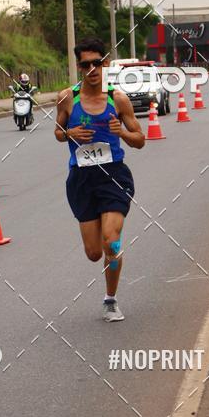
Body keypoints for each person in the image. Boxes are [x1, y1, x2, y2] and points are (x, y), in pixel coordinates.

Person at [55, 36, 145, 321]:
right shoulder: (67, 98)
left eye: (97, 63)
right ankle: (106, 265)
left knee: (111, 241)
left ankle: (110, 299)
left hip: (114, 176)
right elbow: (58, 132)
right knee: (94, 253)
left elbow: (140, 139)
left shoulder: (118, 99)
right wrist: (69, 134)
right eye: (86, 65)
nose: (92, 69)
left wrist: (122, 133)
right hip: (81, 179)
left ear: (106, 63)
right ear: (79, 67)